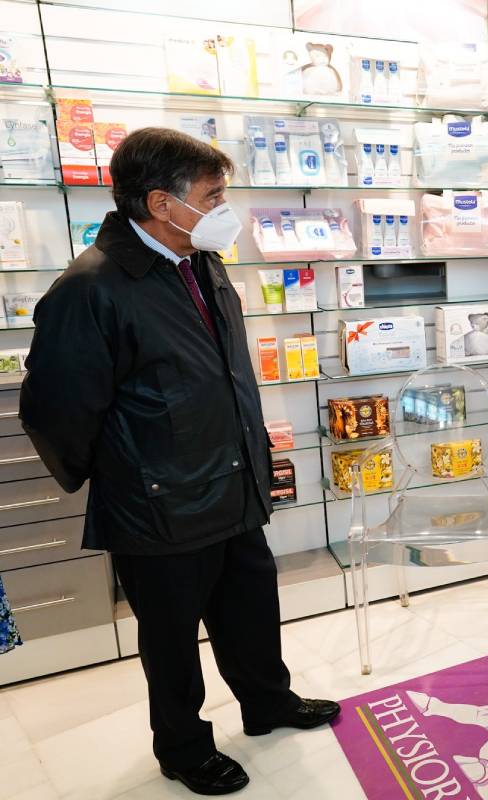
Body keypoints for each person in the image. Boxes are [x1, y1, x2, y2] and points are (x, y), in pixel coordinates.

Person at [20, 128, 340, 796]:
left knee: (250, 609)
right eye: (214, 194)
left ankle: (267, 702)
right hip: (157, 502)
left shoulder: (196, 257)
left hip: (230, 479)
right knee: (170, 641)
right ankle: (183, 747)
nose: (227, 206)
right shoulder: (91, 289)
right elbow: (55, 410)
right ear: (163, 203)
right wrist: (127, 476)